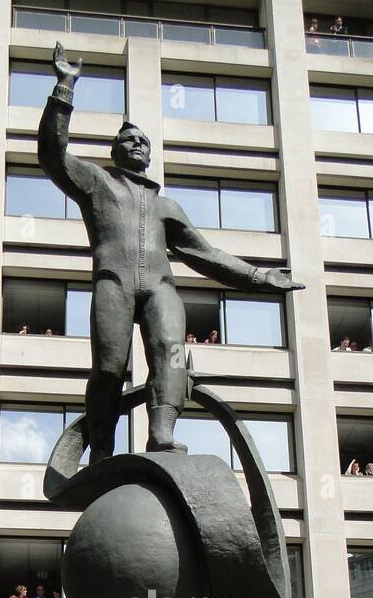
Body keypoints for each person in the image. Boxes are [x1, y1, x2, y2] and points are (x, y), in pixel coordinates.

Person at [38, 43, 300, 459]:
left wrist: (259, 277)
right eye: (128, 139)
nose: (137, 144)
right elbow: (52, 154)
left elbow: (205, 254)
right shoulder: (96, 183)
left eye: (143, 140)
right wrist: (64, 88)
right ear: (115, 151)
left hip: (161, 288)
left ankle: (161, 433)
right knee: (109, 368)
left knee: (171, 355)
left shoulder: (166, 206)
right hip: (114, 283)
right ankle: (102, 448)